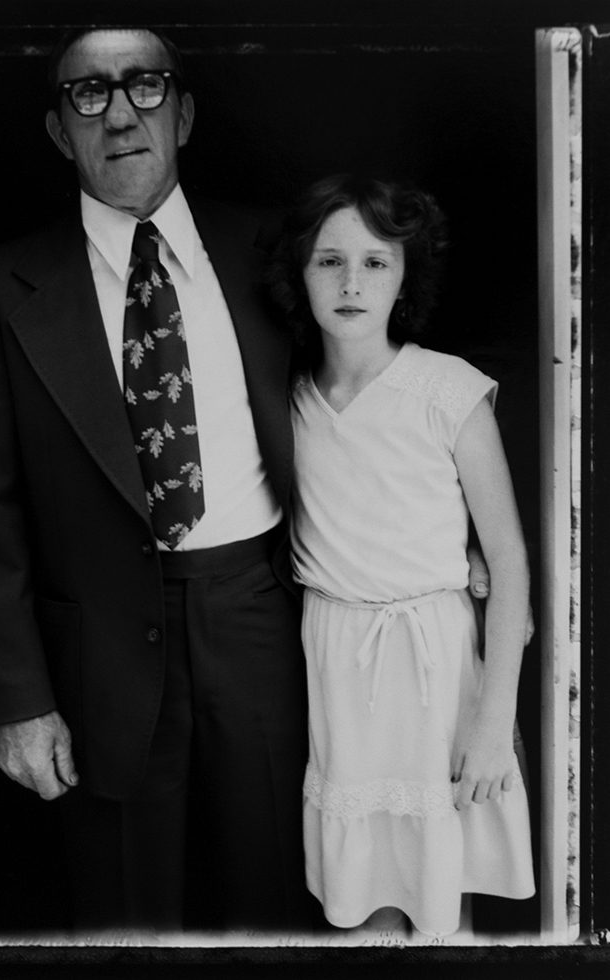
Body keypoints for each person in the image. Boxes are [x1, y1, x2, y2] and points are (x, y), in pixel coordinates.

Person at [0, 26, 312, 933]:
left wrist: (446, 538)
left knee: (271, 901)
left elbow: (363, 401)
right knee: (125, 914)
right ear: (57, 130)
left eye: (144, 88)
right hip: (98, 654)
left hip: (260, 619)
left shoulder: (275, 250)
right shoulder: (1, 285)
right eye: (88, 95)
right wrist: (19, 703)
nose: (119, 114)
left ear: (182, 114)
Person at [269, 174, 535, 938]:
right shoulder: (286, 398)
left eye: (376, 262)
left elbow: (507, 560)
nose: (352, 282)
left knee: (442, 869)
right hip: (337, 659)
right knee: (365, 884)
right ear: (302, 273)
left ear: (405, 276)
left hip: (435, 664)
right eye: (329, 261)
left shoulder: (445, 390)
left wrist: (492, 724)